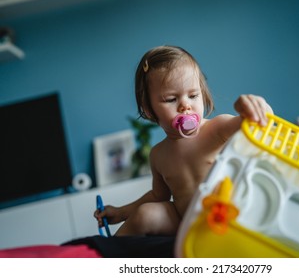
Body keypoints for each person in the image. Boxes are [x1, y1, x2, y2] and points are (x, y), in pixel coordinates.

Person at [94, 45, 273, 236]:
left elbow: (260, 125)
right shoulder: (159, 155)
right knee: (146, 214)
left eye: (193, 95)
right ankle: (108, 254)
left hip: (227, 216)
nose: (185, 106)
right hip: (187, 224)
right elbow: (158, 195)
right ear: (148, 109)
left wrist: (250, 107)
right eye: (171, 99)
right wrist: (122, 212)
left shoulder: (216, 129)